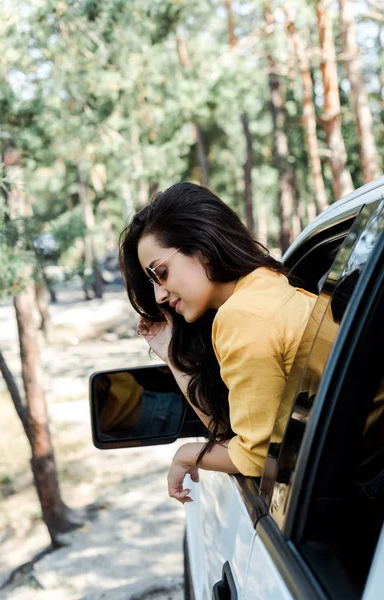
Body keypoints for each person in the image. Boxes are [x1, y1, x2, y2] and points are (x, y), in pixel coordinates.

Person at [119, 182, 317, 504]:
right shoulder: (267, 284)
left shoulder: (243, 317)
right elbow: (228, 435)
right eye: (152, 281)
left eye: (162, 273)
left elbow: (256, 457)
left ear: (203, 247)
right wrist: (173, 356)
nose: (158, 295)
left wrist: (186, 454)